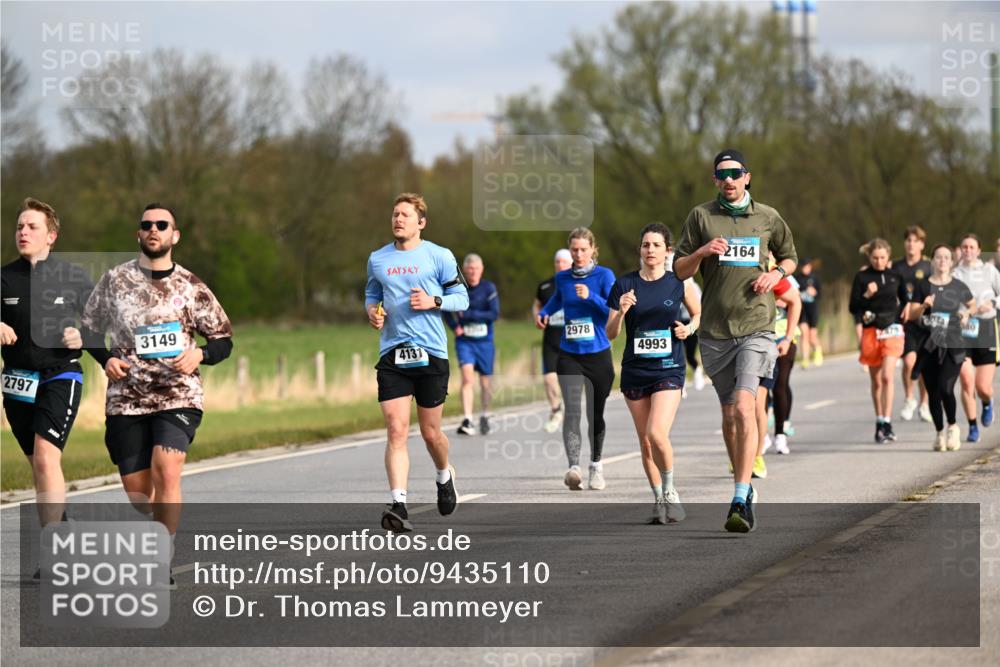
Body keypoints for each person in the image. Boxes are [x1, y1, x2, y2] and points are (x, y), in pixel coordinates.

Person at [81, 203, 233, 585]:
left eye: (161, 225)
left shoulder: (191, 286)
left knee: (168, 470)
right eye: (146, 225)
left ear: (174, 235)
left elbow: (223, 339)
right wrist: (105, 360)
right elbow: (86, 329)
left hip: (178, 396)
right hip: (126, 399)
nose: (153, 230)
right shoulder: (115, 281)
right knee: (138, 494)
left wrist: (200, 353)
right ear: (138, 234)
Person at [673, 148, 797, 533]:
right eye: (721, 174)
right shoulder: (701, 216)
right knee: (729, 414)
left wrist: (775, 275)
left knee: (746, 406)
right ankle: (742, 485)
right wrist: (702, 251)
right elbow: (678, 270)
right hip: (715, 332)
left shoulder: (768, 217)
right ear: (715, 180)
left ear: (747, 177)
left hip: (758, 326)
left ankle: (740, 496)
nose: (729, 179)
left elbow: (790, 258)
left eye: (735, 173)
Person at [1, 198, 106, 556]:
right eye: (19, 227)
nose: (23, 232)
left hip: (61, 374)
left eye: (32, 227)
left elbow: (99, 324)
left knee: (46, 458)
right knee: (38, 464)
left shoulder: (73, 277)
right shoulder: (4, 277)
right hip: (17, 379)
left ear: (51, 236)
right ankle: (61, 526)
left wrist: (85, 339)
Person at [364, 193, 468, 532]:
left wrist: (434, 300)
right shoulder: (378, 259)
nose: (398, 219)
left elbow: (461, 297)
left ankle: (443, 474)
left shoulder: (438, 256)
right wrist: (372, 313)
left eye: (405, 215)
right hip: (393, 353)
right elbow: (372, 294)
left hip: (431, 354)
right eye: (395, 214)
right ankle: (399, 504)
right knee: (396, 429)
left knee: (430, 433)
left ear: (420, 222)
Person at [606, 223, 700, 524]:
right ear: (640, 250)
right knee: (644, 442)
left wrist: (689, 328)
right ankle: (658, 497)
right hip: (634, 369)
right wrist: (621, 311)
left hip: (669, 367)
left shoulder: (679, 282)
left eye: (656, 245)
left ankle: (671, 491)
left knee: (656, 433)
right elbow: (609, 334)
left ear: (667, 251)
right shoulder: (624, 285)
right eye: (646, 245)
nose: (650, 250)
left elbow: (699, 313)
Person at [536, 228, 615, 491]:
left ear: (593, 249)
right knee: (572, 410)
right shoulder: (563, 278)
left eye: (583, 249)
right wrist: (544, 313)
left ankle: (596, 465)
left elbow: (612, 312)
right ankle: (574, 467)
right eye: (574, 250)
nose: (578, 255)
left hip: (598, 353)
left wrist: (590, 297)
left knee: (595, 414)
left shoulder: (604, 276)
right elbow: (558, 300)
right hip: (569, 354)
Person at [907, 244, 976, 451]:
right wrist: (924, 306)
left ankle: (953, 427)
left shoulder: (958, 286)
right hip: (928, 345)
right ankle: (939, 432)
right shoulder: (921, 285)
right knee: (933, 392)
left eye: (947, 257)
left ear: (952, 261)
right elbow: (911, 315)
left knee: (946, 388)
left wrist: (966, 313)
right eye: (939, 257)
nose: (943, 260)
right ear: (933, 261)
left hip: (952, 344)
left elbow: (972, 304)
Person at [849, 239, 907, 443]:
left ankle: (888, 422)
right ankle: (879, 421)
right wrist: (866, 294)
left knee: (887, 377)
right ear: (869, 257)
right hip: (871, 331)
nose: (879, 261)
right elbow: (853, 307)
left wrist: (903, 313)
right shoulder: (862, 277)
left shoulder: (895, 276)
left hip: (891, 330)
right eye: (875, 258)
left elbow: (905, 300)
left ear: (888, 257)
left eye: (883, 258)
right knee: (876, 380)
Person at [445, 253, 500, 436]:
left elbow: (494, 314)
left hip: (485, 341)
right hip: (465, 341)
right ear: (465, 270)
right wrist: (455, 327)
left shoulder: (488, 288)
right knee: (467, 378)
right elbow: (445, 309)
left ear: (481, 269)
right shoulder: (457, 288)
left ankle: (484, 414)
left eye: (476, 268)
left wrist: (469, 315)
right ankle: (468, 419)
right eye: (470, 269)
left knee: (486, 382)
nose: (473, 272)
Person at [953, 234, 1000, 442]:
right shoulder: (955, 273)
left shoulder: (989, 271)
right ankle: (972, 426)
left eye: (972, 247)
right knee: (966, 379)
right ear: (960, 250)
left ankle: (987, 402)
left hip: (986, 328)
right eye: (965, 247)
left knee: (982, 386)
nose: (968, 250)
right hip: (962, 331)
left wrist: (993, 304)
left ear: (979, 250)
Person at [892, 226, 933, 423]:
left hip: (924, 321)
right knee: (909, 362)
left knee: (923, 365)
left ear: (921, 244)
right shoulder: (896, 266)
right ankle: (910, 399)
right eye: (908, 240)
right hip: (904, 322)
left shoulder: (928, 267)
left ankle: (925, 403)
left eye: (915, 240)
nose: (911, 244)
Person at [533, 249, 572, 432]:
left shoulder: (577, 283)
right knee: (549, 379)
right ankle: (556, 410)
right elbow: (537, 305)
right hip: (550, 339)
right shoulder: (545, 286)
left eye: (564, 262)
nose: (560, 265)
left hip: (572, 340)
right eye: (558, 262)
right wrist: (537, 317)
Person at [794, 258, 823, 368]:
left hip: (813, 309)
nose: (805, 268)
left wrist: (814, 293)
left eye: (807, 266)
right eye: (803, 266)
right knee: (804, 334)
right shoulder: (797, 278)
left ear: (810, 267)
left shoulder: (815, 278)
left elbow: (820, 295)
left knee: (812, 336)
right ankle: (805, 359)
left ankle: (817, 350)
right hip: (802, 309)